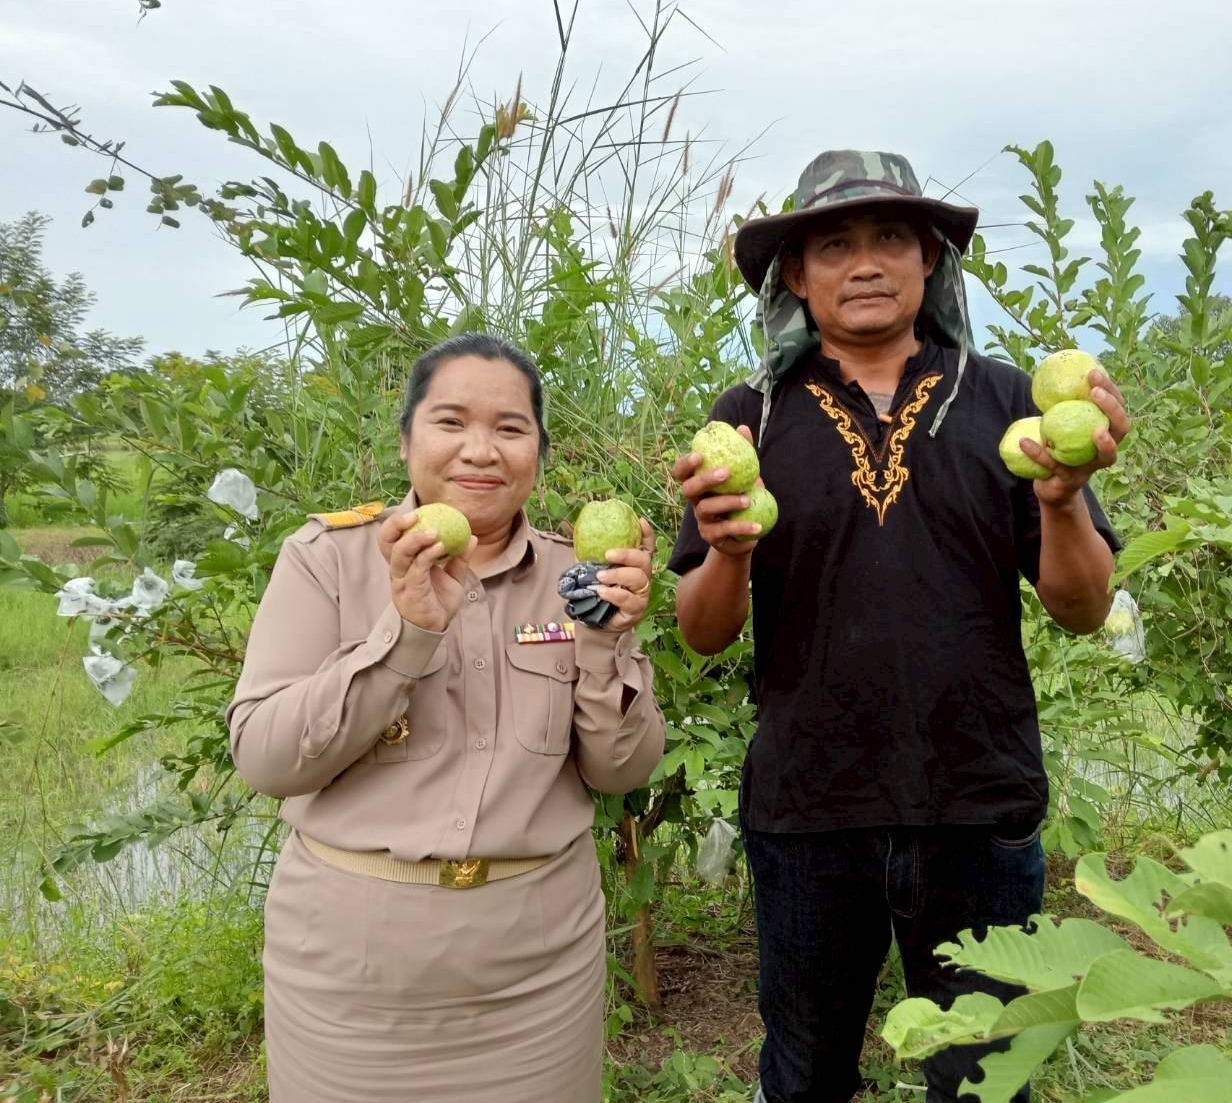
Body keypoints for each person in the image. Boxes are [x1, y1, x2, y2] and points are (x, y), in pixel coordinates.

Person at [667, 151, 1129, 1103]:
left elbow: (1080, 608)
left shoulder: (1009, 401)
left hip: (979, 802)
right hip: (808, 811)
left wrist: (1063, 497)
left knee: (987, 1076)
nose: (864, 263)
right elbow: (702, 632)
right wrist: (731, 550)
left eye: (889, 239)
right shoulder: (749, 416)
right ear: (795, 275)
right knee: (803, 1073)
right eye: (834, 244)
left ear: (930, 261)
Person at [228, 332, 667, 1102]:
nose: (481, 450)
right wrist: (404, 637)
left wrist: (606, 644)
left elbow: (621, 771)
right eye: (450, 422)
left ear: (538, 451)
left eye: (510, 428)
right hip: (352, 983)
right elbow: (265, 760)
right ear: (405, 442)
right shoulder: (326, 560)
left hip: (538, 976)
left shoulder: (580, 580)